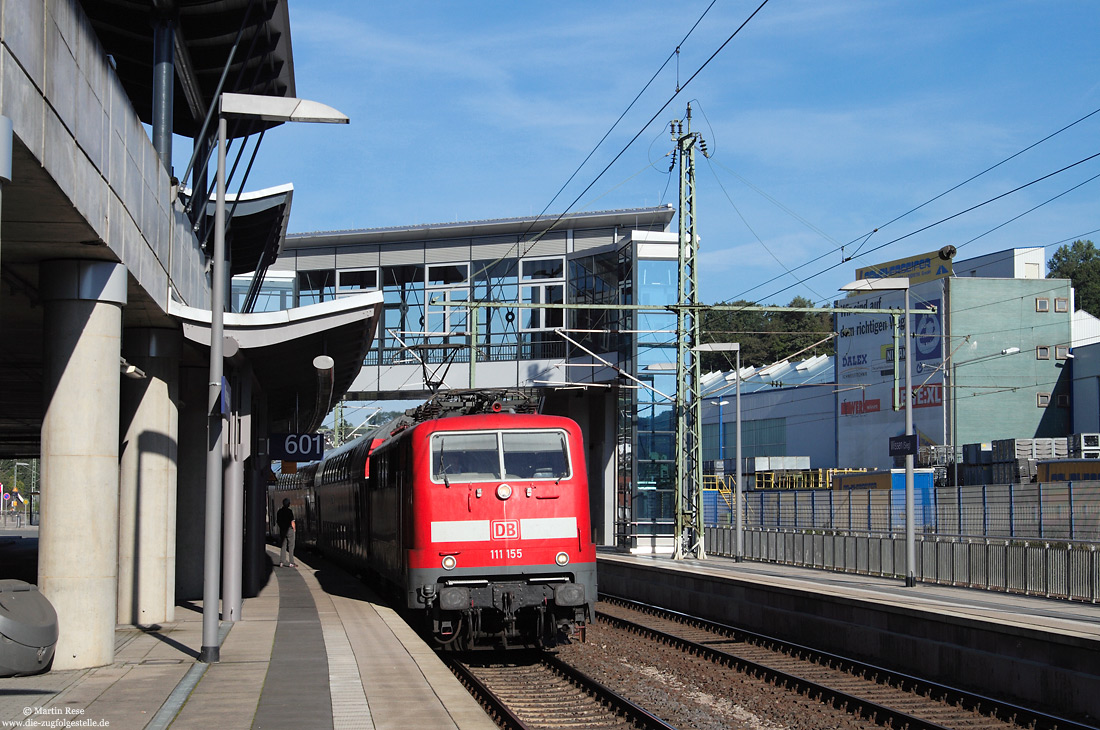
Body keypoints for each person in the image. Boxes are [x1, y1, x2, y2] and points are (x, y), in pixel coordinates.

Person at [276, 498, 297, 568]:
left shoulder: (279, 512)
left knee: (283, 546)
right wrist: (294, 529)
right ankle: (291, 562)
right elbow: (292, 521)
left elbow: (278, 521)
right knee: (291, 546)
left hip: (282, 530)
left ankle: (281, 562)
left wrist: (281, 527)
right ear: (288, 504)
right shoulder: (289, 511)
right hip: (289, 530)